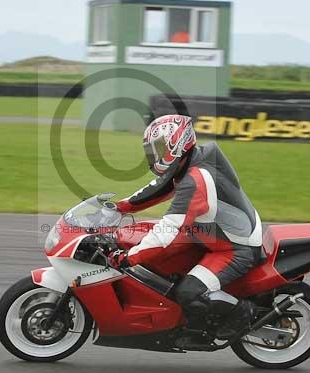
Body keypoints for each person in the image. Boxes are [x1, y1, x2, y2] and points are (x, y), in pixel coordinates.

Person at [107, 114, 264, 340]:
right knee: (148, 247)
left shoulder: (195, 180)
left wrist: (127, 258)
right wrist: (117, 207)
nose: (155, 155)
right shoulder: (189, 163)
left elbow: (167, 234)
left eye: (159, 148)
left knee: (189, 292)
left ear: (177, 144)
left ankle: (242, 312)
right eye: (152, 150)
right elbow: (156, 189)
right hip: (210, 233)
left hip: (234, 248)